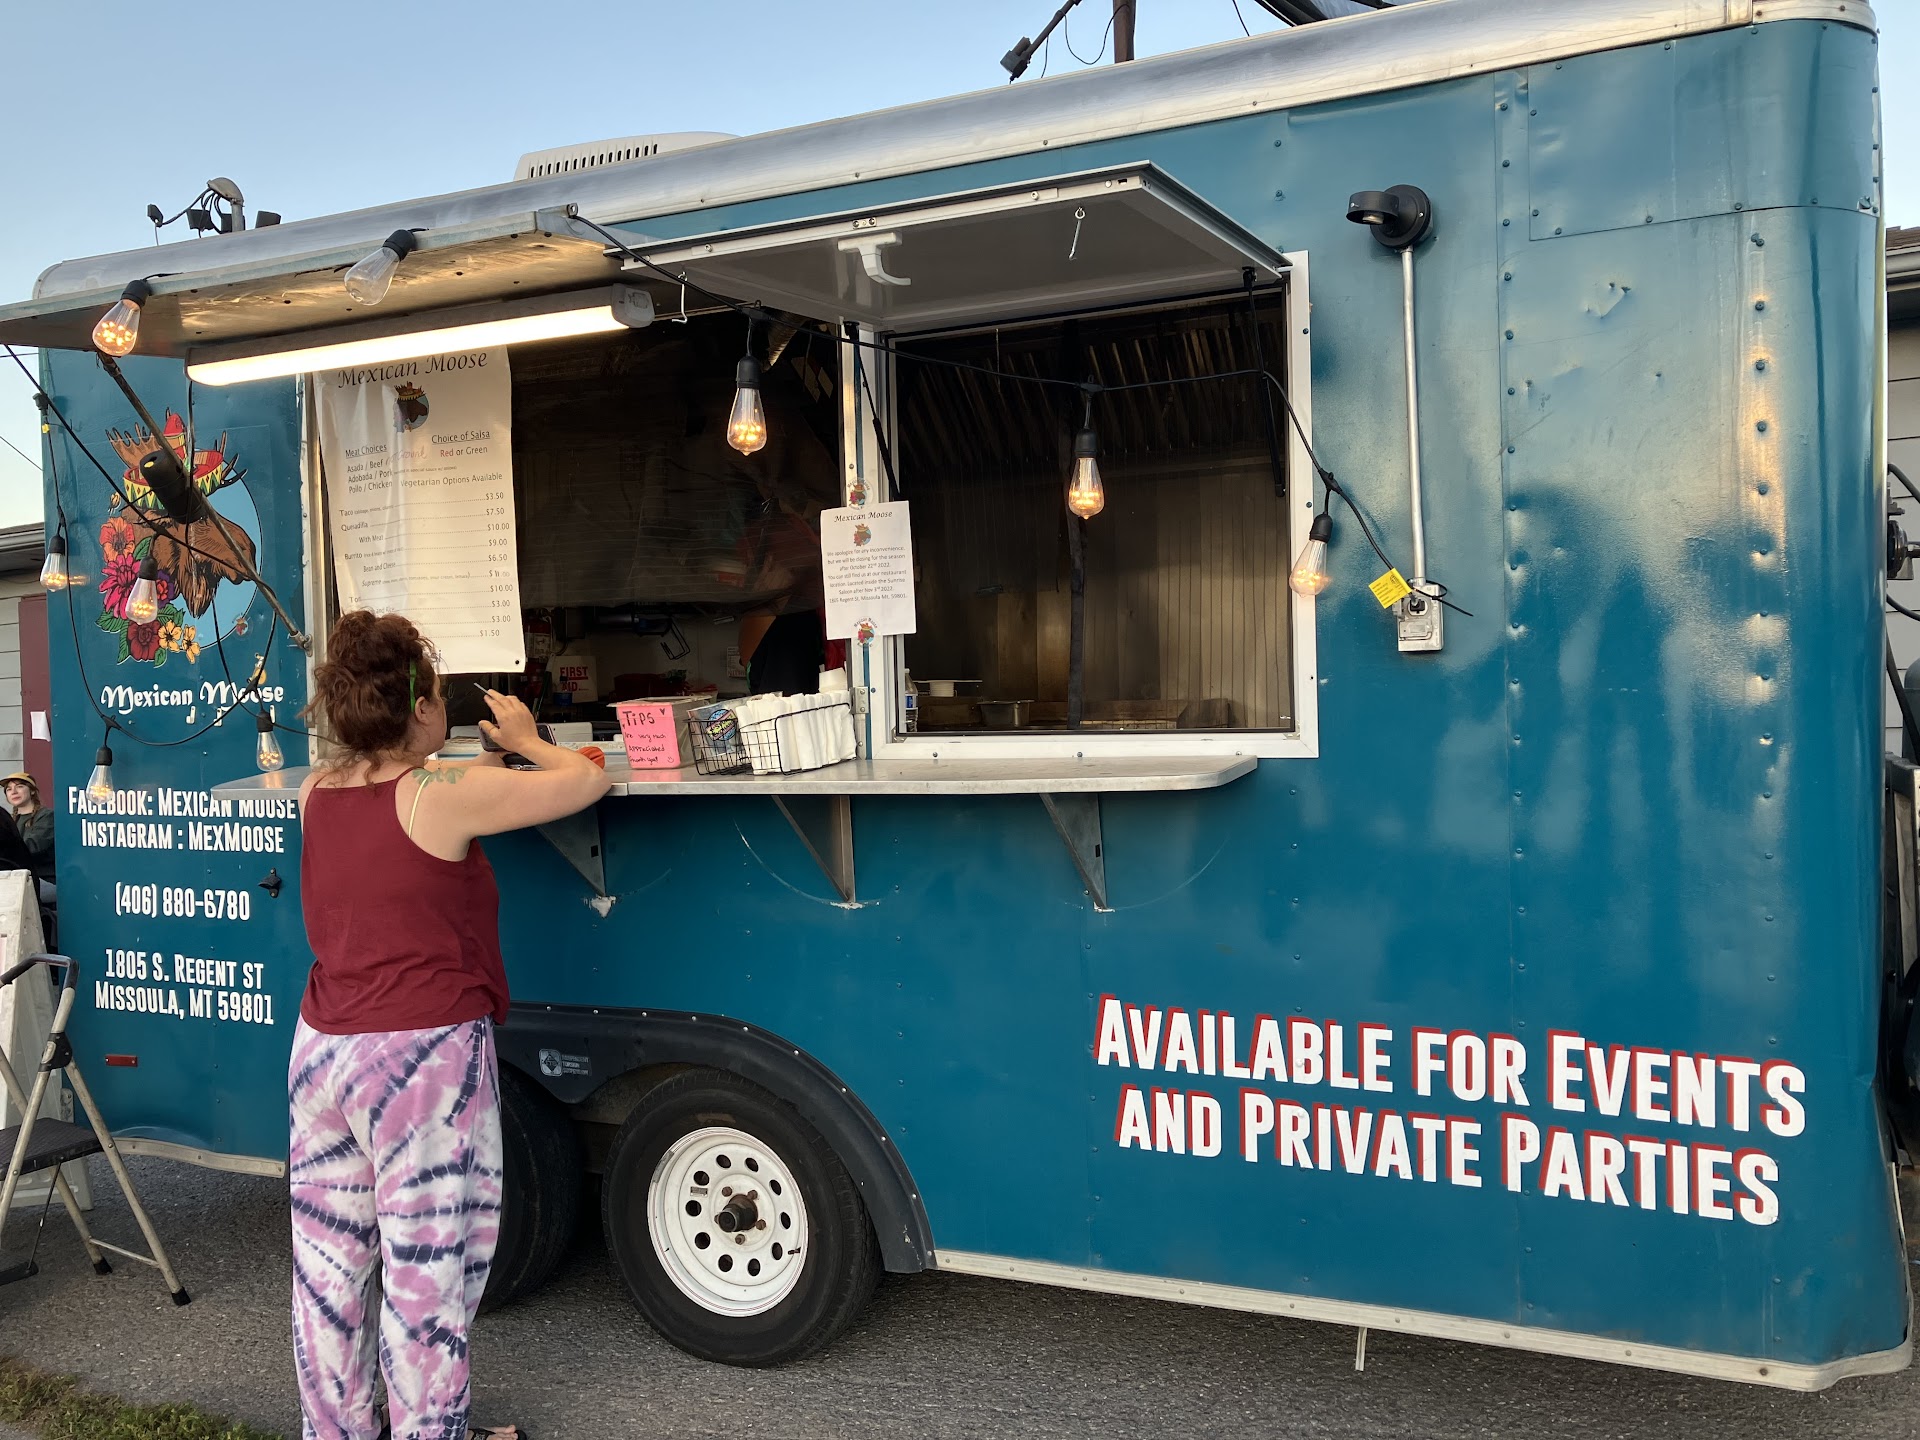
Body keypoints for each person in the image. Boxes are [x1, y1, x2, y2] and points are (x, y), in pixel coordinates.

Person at [291, 611, 609, 1440]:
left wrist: (473, 759)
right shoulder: (441, 796)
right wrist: (528, 739)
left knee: (328, 1268)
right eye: (439, 696)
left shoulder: (316, 791)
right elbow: (585, 783)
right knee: (427, 1269)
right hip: (417, 1058)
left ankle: (338, 1431)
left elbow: (404, 784)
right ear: (424, 708)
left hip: (321, 1049)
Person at [3, 772, 54, 890]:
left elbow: (31, 846)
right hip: (16, 879)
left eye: (19, 786)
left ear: (32, 791)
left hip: (43, 879)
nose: (14, 791)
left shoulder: (46, 815)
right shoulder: (8, 820)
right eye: (9, 789)